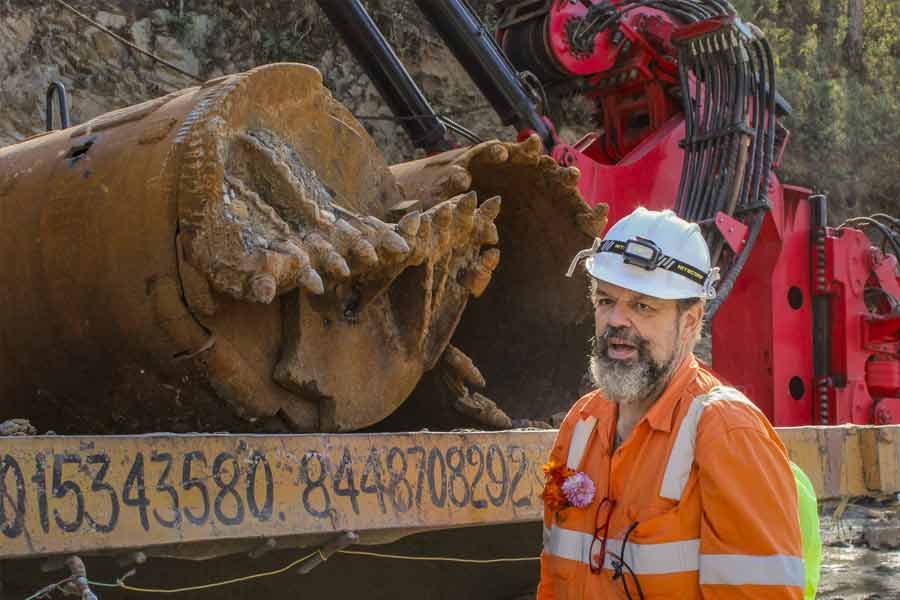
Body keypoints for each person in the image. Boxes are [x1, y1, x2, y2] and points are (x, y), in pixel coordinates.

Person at [538, 207, 805, 599]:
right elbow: (554, 581)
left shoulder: (728, 433)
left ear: (690, 323)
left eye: (643, 306)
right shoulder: (581, 424)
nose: (616, 321)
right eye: (606, 300)